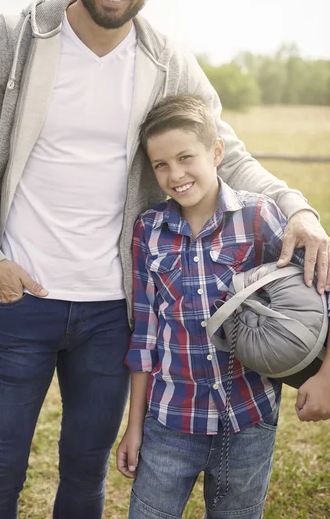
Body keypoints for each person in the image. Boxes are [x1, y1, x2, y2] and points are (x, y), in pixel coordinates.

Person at [0, 0, 328, 517]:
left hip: (114, 315)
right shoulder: (17, 38)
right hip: (20, 302)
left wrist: (297, 207)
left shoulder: (167, 58)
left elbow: (227, 152)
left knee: (86, 476)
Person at [116, 94, 330, 519]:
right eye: (161, 165)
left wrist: (327, 375)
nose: (175, 174)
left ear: (216, 152)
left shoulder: (260, 216)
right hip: (168, 421)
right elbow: (144, 338)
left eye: (185, 157)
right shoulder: (149, 231)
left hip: (248, 421)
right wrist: (134, 425)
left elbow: (324, 290)